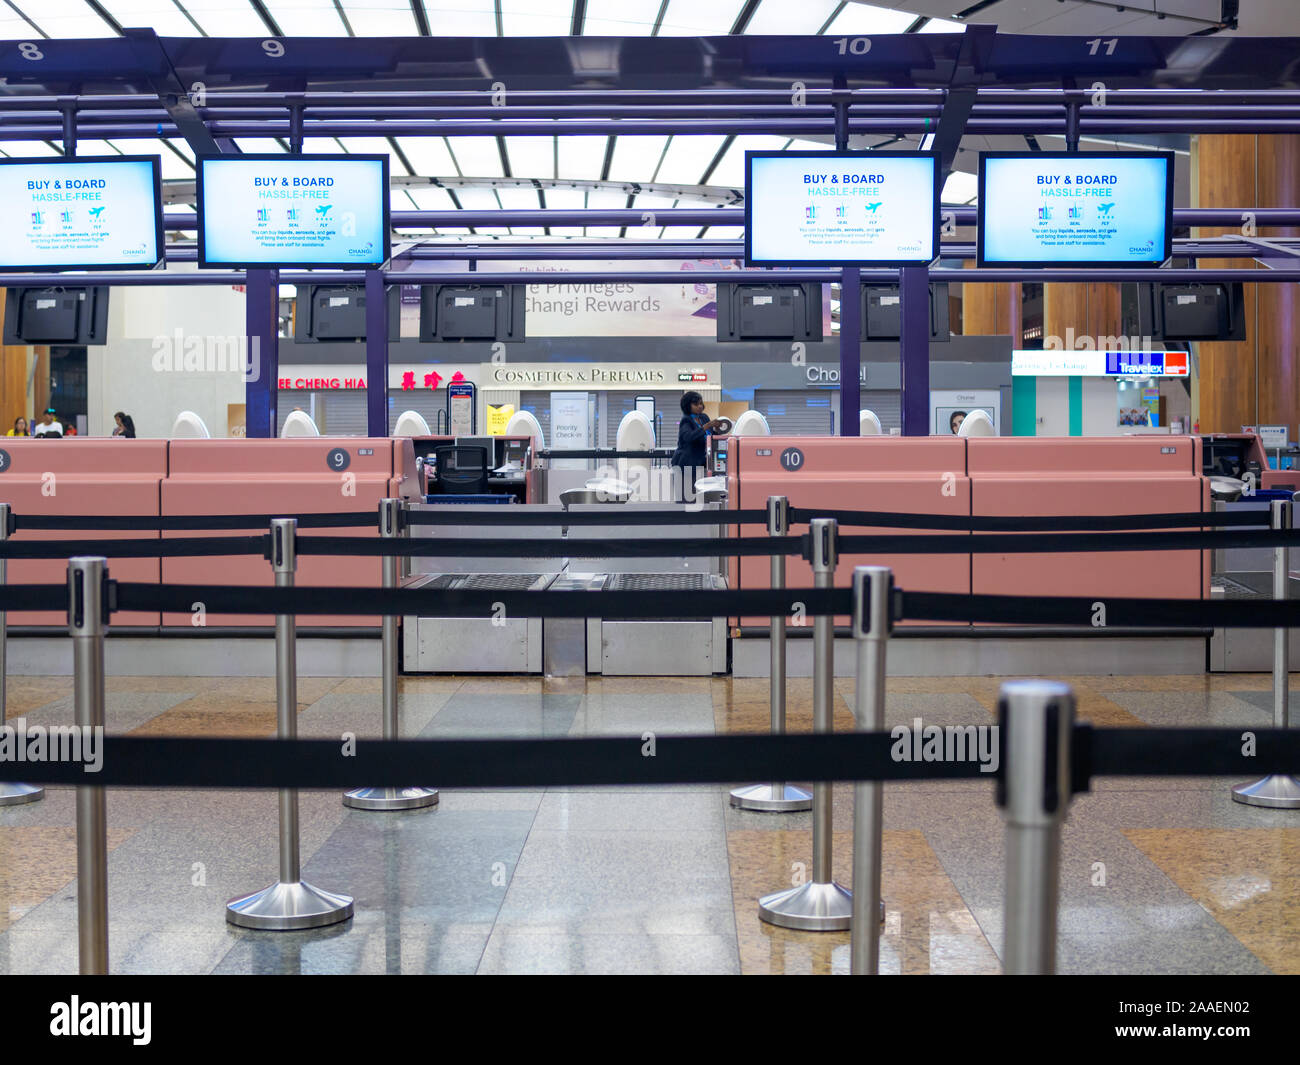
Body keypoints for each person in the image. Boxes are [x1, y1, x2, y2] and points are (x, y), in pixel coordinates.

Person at [671, 391, 727, 499]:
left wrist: (718, 430)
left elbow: (709, 435)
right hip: (686, 464)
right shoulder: (686, 420)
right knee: (688, 497)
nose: (700, 406)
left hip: (701, 463)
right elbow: (689, 437)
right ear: (688, 405)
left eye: (701, 403)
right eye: (696, 404)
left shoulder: (704, 418)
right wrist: (706, 426)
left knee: (700, 497)